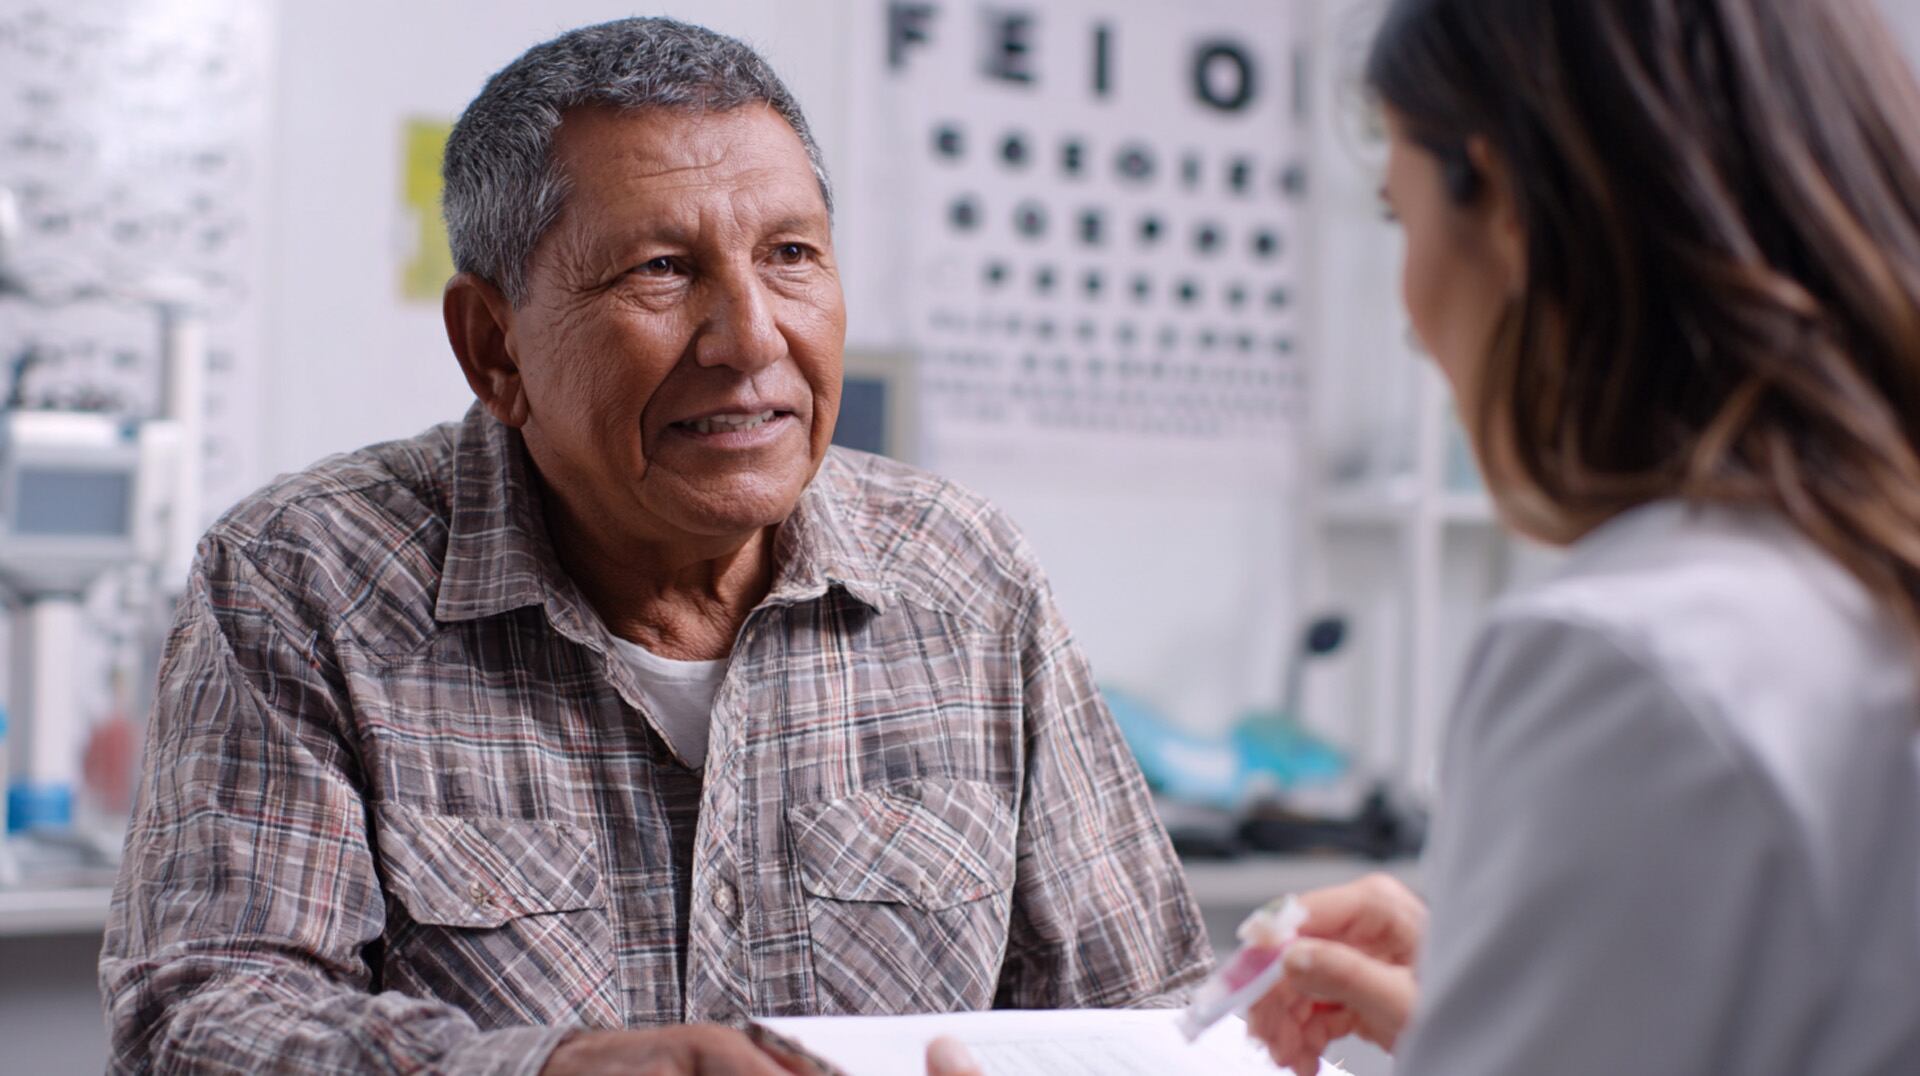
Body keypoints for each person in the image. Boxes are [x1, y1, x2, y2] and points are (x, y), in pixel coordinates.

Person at [99, 18, 1208, 1074]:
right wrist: (559, 1066)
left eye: (790, 254)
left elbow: (1147, 1009)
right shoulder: (304, 578)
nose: (751, 337)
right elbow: (202, 1018)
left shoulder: (966, 575)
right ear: (495, 348)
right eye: (661, 271)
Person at [1249, 0, 1920, 1072]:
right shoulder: (1859, 584)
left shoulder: (1630, 656)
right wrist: (1508, 1001)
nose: (1413, 316)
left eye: (1398, 218)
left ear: (1507, 204)